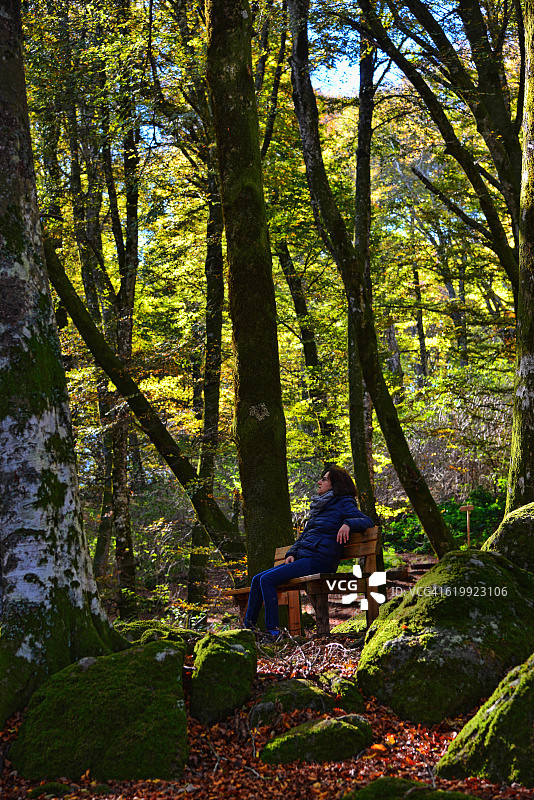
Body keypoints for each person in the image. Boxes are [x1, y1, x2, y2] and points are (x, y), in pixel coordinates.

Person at [243, 465, 375, 641]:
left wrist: (348, 524)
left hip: (320, 560)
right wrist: (292, 552)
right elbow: (305, 535)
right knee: (257, 579)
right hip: (306, 557)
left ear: (336, 485)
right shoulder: (321, 507)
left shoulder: (344, 503)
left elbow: (367, 520)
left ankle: (274, 633)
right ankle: (247, 631)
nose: (319, 482)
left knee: (267, 580)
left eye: (325, 479)